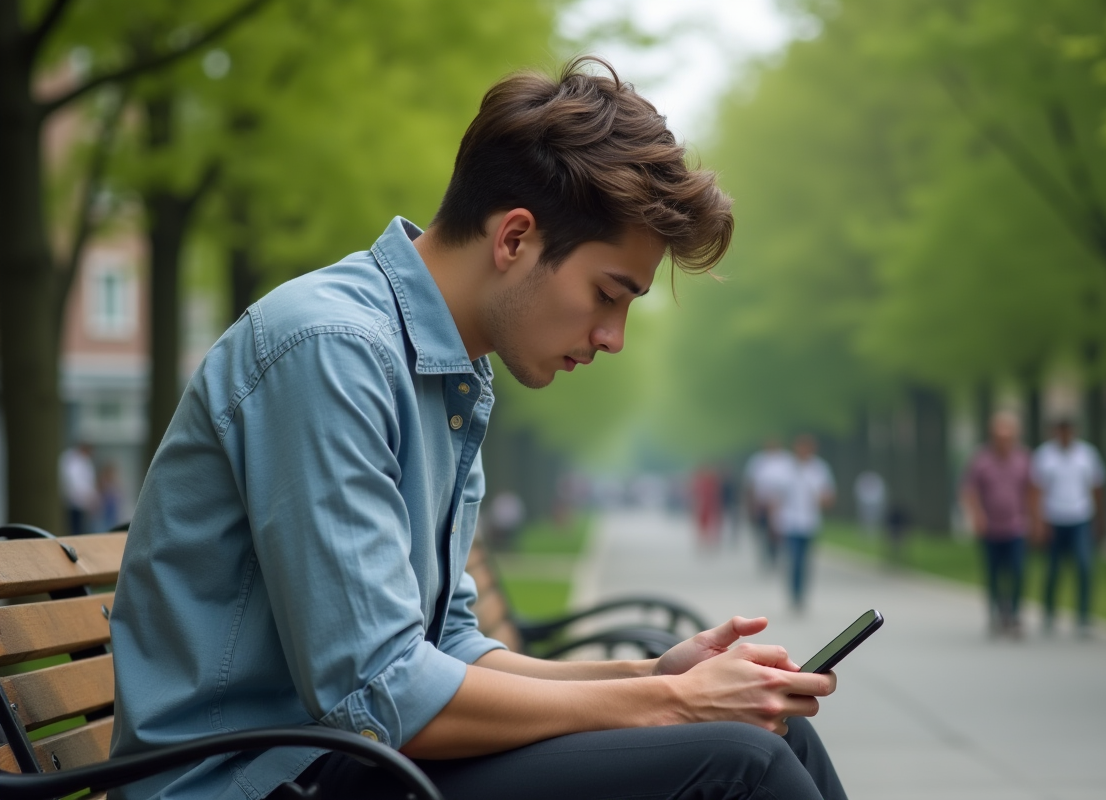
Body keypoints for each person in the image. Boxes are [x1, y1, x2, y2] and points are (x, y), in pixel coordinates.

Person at [108, 59, 848, 800]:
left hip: (343, 762)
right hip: (253, 779)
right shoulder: (330, 350)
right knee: (744, 764)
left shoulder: (448, 373)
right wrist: (669, 704)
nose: (614, 337)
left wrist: (649, 675)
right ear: (515, 238)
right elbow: (380, 694)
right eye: (607, 294)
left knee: (775, 731)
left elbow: (450, 647)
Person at [961, 411, 1037, 637]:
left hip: (1016, 526)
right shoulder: (981, 460)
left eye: (1007, 436)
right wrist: (977, 515)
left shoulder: (1024, 459)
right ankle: (996, 613)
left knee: (1018, 571)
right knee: (993, 573)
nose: (1003, 441)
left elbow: (1032, 490)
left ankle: (1013, 614)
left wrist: (1035, 519)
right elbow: (969, 490)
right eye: (999, 436)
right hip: (990, 528)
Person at [1031, 417, 1106, 635]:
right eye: (1060, 431)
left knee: (1084, 566)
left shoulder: (1087, 454)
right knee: (1053, 569)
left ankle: (1083, 615)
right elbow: (1036, 490)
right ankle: (1049, 612)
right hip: (1053, 518)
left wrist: (1100, 518)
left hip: (1080, 517)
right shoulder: (1044, 455)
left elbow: (1097, 487)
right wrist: (1037, 521)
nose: (1064, 435)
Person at [772, 435, 836, 609]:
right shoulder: (786, 469)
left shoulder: (820, 468)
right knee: (794, 559)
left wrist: (821, 499)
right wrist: (774, 521)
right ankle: (794, 593)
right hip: (789, 522)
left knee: (805, 561)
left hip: (810, 522)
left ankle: (801, 593)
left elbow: (828, 495)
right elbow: (777, 497)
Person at [743, 437, 793, 567]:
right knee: (764, 530)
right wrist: (750, 504)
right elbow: (751, 484)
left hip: (781, 504)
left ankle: (774, 552)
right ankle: (767, 552)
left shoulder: (787, 460)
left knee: (778, 531)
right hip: (762, 503)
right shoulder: (757, 460)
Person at [58, 442, 98, 535]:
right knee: (75, 528)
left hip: (83, 502)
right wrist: (87, 497)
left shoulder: (84, 461)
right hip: (75, 502)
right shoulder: (73, 460)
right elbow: (75, 483)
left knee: (82, 528)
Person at [853, 470, 886, 536]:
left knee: (874, 519)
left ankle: (873, 531)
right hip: (864, 504)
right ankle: (863, 531)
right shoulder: (863, 480)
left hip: (874, 504)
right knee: (864, 519)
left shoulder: (876, 480)